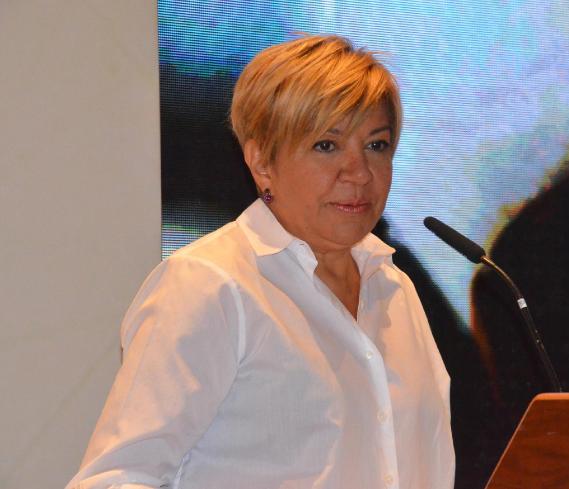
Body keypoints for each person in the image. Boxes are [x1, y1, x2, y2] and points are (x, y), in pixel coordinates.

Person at [67, 34, 455, 489]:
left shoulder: (394, 288)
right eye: (327, 145)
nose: (359, 172)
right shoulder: (210, 284)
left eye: (377, 145)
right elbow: (114, 479)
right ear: (262, 161)